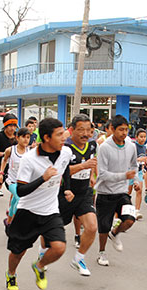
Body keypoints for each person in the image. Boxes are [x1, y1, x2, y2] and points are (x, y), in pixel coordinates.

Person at [5, 118, 73, 290]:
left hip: (50, 210)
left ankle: (39, 266)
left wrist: (67, 188)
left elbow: (64, 169)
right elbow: (20, 190)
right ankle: (11, 274)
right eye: (59, 134)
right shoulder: (29, 159)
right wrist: (43, 177)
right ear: (46, 137)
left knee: (59, 248)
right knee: (18, 252)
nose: (63, 137)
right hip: (28, 211)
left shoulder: (65, 152)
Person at [95, 115, 139, 266]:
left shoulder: (131, 146)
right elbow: (102, 174)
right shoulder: (105, 147)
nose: (124, 133)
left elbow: (134, 165)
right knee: (103, 226)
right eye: (121, 130)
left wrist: (136, 180)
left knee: (129, 219)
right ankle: (102, 252)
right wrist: (124, 176)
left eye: (126, 130)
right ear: (112, 129)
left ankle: (115, 233)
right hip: (105, 192)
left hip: (122, 192)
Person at [59, 114, 98, 276]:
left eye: (88, 130)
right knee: (53, 229)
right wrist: (83, 166)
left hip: (84, 193)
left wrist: (92, 176)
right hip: (64, 193)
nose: (85, 134)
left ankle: (79, 258)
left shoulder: (92, 146)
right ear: (72, 130)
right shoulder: (65, 148)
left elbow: (91, 162)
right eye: (81, 130)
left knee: (92, 227)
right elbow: (61, 171)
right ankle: (42, 252)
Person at [0, 128, 30, 229]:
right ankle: (15, 224)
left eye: (28, 137)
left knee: (14, 202)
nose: (26, 140)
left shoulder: (30, 151)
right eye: (23, 137)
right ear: (17, 138)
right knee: (19, 198)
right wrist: (1, 173)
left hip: (24, 182)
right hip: (11, 181)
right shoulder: (10, 150)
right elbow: (4, 161)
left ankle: (8, 222)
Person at [132, 128, 147, 219]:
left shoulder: (144, 147)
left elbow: (143, 160)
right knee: (128, 192)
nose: (143, 139)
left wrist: (143, 170)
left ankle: (137, 211)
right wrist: (138, 160)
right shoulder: (133, 146)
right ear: (136, 137)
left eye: (144, 137)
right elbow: (129, 159)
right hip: (131, 171)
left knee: (140, 190)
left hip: (139, 171)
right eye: (141, 137)